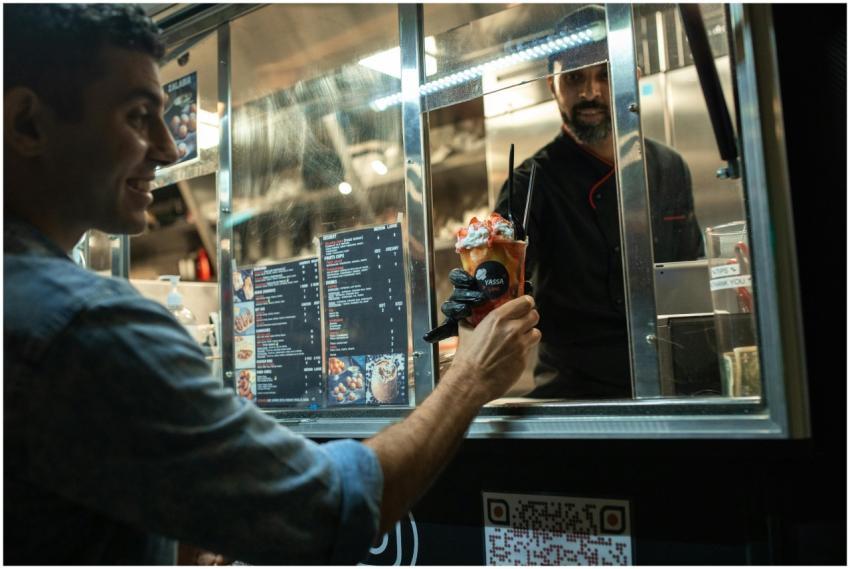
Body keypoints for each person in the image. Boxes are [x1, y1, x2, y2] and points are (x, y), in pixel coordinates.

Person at [3, 4, 540, 565]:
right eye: (138, 116)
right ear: (28, 124)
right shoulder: (87, 327)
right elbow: (326, 509)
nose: (168, 148)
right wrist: (471, 378)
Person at [492, 7, 704, 399]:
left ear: (631, 77)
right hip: (575, 394)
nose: (590, 93)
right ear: (552, 86)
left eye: (605, 75)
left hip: (672, 382)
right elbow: (499, 289)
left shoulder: (669, 167)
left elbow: (693, 279)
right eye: (574, 78)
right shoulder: (529, 182)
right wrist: (484, 285)